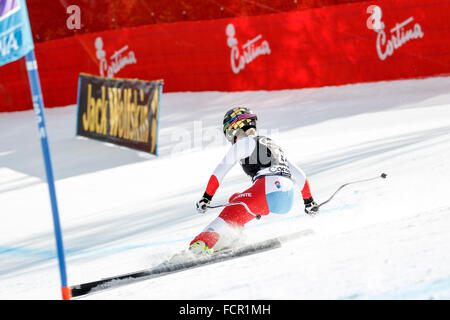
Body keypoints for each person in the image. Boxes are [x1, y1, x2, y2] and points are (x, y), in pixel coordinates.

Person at [189, 107, 319, 255]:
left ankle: (199, 245)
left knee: (229, 213)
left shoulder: (243, 143)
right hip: (286, 197)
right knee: (236, 200)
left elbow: (218, 173)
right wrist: (309, 202)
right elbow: (300, 175)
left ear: (234, 129)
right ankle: (232, 237)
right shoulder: (271, 144)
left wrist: (206, 197)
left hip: (267, 190)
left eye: (230, 135)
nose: (232, 140)